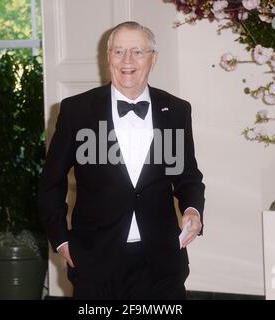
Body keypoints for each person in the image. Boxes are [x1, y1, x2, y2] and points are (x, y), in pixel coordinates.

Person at [38, 21, 205, 300]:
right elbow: (50, 184)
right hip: (95, 262)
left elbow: (187, 177)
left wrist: (193, 210)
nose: (127, 60)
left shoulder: (175, 110)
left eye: (138, 51)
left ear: (153, 58)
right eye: (119, 52)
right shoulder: (77, 111)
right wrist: (62, 241)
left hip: (161, 263)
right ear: (108, 57)